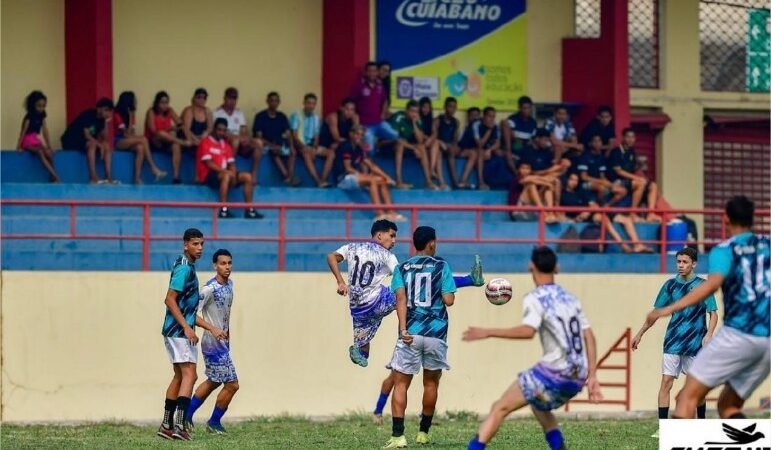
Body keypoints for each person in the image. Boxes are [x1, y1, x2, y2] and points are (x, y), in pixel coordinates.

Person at [463, 246, 603, 450]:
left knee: (499, 408)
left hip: (553, 373)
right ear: (557, 268)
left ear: (531, 267)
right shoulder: (570, 298)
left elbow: (528, 331)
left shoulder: (535, 297)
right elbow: (589, 335)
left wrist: (488, 331)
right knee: (538, 404)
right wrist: (593, 375)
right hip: (577, 376)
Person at [645, 196, 769, 420]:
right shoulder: (767, 244)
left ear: (726, 218)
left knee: (686, 398)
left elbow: (712, 285)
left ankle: (679, 439)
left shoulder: (724, 250)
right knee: (728, 405)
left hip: (739, 334)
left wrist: (668, 309)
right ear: (753, 218)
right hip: (767, 340)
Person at [326, 221, 484, 370]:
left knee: (363, 350)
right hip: (378, 301)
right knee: (414, 286)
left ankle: (361, 352)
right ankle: (470, 279)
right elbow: (408, 278)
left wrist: (341, 282)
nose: (394, 241)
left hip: (358, 309)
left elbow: (331, 257)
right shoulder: (386, 255)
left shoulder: (352, 247)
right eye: (392, 235)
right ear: (379, 235)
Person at [382, 226, 457, 449]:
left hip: (410, 334)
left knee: (401, 384)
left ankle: (398, 437)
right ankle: (423, 433)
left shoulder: (402, 268)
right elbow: (449, 300)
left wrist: (403, 329)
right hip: (436, 333)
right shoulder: (442, 266)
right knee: (431, 383)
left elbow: (400, 300)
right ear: (431, 243)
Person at [631, 248, 718, 433]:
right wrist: (640, 334)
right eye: (678, 261)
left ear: (694, 264)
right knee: (666, 382)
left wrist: (709, 334)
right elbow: (655, 313)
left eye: (685, 262)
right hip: (673, 342)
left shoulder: (703, 286)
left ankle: (701, 424)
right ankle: (663, 428)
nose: (681, 265)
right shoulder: (670, 285)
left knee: (697, 387)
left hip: (695, 344)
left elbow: (713, 313)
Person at [156, 228, 204, 441]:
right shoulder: (184, 268)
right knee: (190, 375)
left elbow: (187, 306)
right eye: (195, 244)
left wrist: (208, 327)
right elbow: (169, 299)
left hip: (174, 330)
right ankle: (179, 425)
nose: (199, 248)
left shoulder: (185, 264)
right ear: (186, 245)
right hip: (178, 331)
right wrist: (186, 327)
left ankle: (167, 425)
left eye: (201, 244)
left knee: (179, 375)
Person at [184, 249, 239, 435]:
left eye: (229, 263)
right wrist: (212, 329)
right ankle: (214, 422)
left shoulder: (229, 284)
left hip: (222, 344)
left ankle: (186, 416)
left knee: (214, 381)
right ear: (215, 266)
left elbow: (224, 315)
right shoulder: (209, 289)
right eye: (223, 263)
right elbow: (191, 314)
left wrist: (227, 334)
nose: (227, 267)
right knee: (232, 384)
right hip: (212, 344)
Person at [561, 172, 650, 253]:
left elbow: (593, 205)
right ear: (567, 180)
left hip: (594, 212)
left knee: (626, 220)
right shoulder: (563, 194)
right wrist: (577, 217)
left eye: (576, 180)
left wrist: (588, 211)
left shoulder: (581, 192)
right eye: (572, 180)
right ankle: (623, 245)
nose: (574, 182)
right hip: (586, 217)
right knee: (604, 218)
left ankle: (637, 245)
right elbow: (562, 213)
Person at [332, 125, 404, 222]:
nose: (359, 137)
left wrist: (387, 177)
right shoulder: (346, 146)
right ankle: (379, 214)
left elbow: (372, 166)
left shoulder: (359, 148)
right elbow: (348, 168)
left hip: (354, 177)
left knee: (382, 180)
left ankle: (391, 211)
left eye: (361, 135)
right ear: (351, 134)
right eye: (357, 134)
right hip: (343, 179)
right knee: (372, 180)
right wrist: (363, 175)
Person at [197, 118, 262, 219]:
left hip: (224, 173)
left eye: (224, 130)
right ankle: (224, 210)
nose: (221, 133)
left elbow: (231, 163)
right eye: (219, 130)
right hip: (209, 175)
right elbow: (209, 164)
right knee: (226, 176)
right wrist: (227, 172)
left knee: (247, 177)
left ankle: (249, 210)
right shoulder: (205, 142)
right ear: (214, 129)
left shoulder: (225, 145)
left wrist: (233, 173)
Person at [113, 91, 167, 184]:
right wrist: (130, 117)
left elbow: (131, 133)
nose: (135, 102)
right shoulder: (117, 114)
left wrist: (131, 116)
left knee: (140, 147)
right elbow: (126, 134)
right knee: (144, 139)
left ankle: (137, 178)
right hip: (119, 141)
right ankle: (153, 168)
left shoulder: (132, 114)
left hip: (127, 140)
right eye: (134, 100)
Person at [213, 87, 263, 185]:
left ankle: (254, 175)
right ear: (224, 98)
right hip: (226, 142)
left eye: (234, 98)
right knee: (235, 141)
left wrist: (245, 139)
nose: (232, 101)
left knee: (258, 143)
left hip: (240, 142)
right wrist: (238, 138)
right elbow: (220, 132)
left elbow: (244, 131)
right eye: (230, 98)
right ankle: (231, 171)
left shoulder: (239, 113)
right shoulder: (216, 113)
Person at [608, 128, 660, 221]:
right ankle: (632, 213)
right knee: (640, 183)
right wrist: (637, 178)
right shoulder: (616, 152)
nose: (630, 139)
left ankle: (651, 214)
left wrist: (640, 166)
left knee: (653, 185)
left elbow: (633, 169)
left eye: (632, 137)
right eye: (628, 137)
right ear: (623, 138)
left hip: (630, 181)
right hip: (618, 181)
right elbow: (619, 171)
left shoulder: (632, 152)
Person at [61, 97, 115, 184]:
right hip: (71, 140)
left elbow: (105, 138)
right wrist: (99, 145)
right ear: (99, 108)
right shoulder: (88, 114)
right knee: (92, 144)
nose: (107, 113)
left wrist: (106, 122)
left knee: (107, 145)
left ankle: (108, 176)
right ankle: (93, 177)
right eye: (106, 110)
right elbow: (86, 134)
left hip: (85, 141)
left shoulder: (102, 120)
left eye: (109, 111)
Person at [252, 92, 301, 186]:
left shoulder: (282, 117)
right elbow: (259, 137)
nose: (274, 103)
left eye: (276, 101)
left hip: (281, 145)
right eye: (272, 101)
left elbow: (288, 134)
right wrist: (272, 145)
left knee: (292, 152)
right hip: (266, 146)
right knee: (274, 152)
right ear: (267, 101)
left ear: (279, 102)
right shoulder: (260, 117)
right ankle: (286, 176)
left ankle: (290, 176)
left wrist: (291, 146)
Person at [387, 100, 437, 190]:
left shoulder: (417, 119)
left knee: (421, 147)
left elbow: (420, 140)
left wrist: (414, 123)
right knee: (400, 144)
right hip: (388, 144)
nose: (414, 114)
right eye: (412, 111)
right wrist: (414, 148)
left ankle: (428, 182)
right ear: (406, 110)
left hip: (405, 145)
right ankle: (399, 182)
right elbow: (396, 138)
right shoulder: (399, 117)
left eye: (416, 112)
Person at [351, 61, 399, 151]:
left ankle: (379, 144)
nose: (372, 73)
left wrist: (383, 113)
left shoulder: (380, 85)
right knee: (370, 150)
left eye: (374, 71)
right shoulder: (359, 86)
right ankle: (373, 146)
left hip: (379, 122)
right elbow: (352, 103)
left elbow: (385, 100)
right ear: (365, 72)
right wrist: (356, 123)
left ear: (377, 72)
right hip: (365, 124)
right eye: (370, 71)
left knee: (396, 135)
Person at [145, 91, 189, 184]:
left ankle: (176, 176)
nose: (165, 105)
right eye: (162, 103)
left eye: (166, 103)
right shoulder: (151, 112)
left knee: (176, 146)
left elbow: (180, 123)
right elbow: (153, 131)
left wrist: (187, 134)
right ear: (157, 103)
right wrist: (170, 129)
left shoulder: (169, 110)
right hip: (154, 141)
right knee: (161, 133)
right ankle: (183, 143)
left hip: (166, 141)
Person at [291, 93, 333, 187]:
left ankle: (323, 179)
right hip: (300, 145)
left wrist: (314, 147)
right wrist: (305, 147)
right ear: (304, 103)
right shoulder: (296, 115)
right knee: (306, 153)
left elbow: (317, 135)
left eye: (313, 103)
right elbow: (294, 136)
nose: (311, 106)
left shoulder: (316, 118)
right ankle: (318, 181)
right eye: (309, 103)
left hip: (311, 145)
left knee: (331, 153)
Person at [16, 90, 59, 182]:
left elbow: (45, 130)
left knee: (48, 153)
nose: (41, 108)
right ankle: (56, 176)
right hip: (27, 141)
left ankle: (52, 177)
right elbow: (23, 132)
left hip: (35, 139)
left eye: (43, 106)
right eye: (39, 106)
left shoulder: (42, 115)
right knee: (40, 152)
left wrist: (49, 146)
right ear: (33, 105)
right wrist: (18, 146)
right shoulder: (29, 117)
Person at [457, 106, 500, 191]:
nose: (491, 119)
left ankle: (465, 181)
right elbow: (480, 144)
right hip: (465, 149)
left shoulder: (495, 125)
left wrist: (489, 150)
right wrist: (489, 130)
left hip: (481, 150)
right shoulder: (476, 124)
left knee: (498, 152)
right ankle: (480, 182)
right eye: (489, 116)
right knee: (478, 152)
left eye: (493, 117)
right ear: (484, 116)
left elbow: (498, 143)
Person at [577, 134, 625, 206]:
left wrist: (609, 184)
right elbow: (584, 177)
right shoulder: (585, 156)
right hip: (585, 184)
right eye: (595, 141)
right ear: (590, 143)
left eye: (599, 141)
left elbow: (602, 176)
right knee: (602, 188)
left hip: (600, 182)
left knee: (622, 191)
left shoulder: (601, 157)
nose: (597, 143)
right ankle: (599, 205)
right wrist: (602, 181)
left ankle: (606, 207)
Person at [432, 97, 467, 188]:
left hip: (450, 147)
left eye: (454, 107)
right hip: (439, 146)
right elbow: (433, 137)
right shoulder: (437, 120)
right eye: (450, 106)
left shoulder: (456, 122)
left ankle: (457, 182)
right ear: (445, 107)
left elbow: (455, 140)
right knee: (440, 152)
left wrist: (454, 146)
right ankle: (445, 182)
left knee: (453, 150)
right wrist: (441, 143)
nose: (452, 109)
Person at [501, 95, 537, 173]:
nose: (527, 110)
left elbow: (532, 139)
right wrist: (516, 140)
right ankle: (517, 173)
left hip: (526, 145)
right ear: (519, 108)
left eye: (529, 108)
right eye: (524, 108)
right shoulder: (513, 118)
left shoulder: (533, 122)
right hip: (515, 144)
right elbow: (509, 133)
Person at [418, 97, 447, 190]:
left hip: (428, 144)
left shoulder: (432, 120)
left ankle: (438, 179)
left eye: (428, 107)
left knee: (438, 150)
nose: (426, 109)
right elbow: (419, 135)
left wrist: (430, 140)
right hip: (418, 144)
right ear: (420, 107)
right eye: (424, 107)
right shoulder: (417, 118)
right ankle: (431, 180)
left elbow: (435, 133)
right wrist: (429, 139)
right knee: (435, 144)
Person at [453, 107, 482, 189]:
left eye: (476, 115)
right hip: (463, 151)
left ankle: (480, 182)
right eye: (472, 115)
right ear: (468, 117)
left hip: (479, 152)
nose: (474, 117)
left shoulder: (482, 127)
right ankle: (463, 181)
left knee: (478, 153)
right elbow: (459, 143)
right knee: (473, 153)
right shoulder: (465, 129)